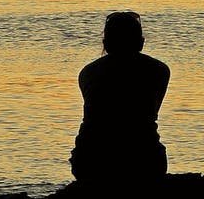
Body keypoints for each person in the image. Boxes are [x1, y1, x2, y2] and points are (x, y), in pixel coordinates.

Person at [69, 11, 170, 189]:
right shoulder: (159, 70)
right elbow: (149, 112)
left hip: (90, 163)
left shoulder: (88, 73)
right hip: (145, 162)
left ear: (105, 43)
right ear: (141, 42)